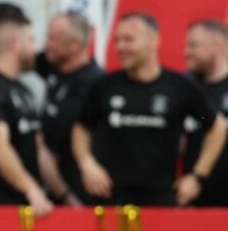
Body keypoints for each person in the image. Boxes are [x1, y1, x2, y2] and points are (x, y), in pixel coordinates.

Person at [72, 13, 226, 206]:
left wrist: (197, 177)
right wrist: (87, 164)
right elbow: (81, 128)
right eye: (117, 40)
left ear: (153, 41)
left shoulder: (178, 88)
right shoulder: (104, 87)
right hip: (108, 200)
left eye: (129, 40)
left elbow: (215, 126)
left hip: (159, 202)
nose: (121, 47)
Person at [0, 8, 70, 216]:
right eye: (31, 40)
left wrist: (63, 195)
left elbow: (39, 151)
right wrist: (32, 189)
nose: (35, 48)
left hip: (29, 208)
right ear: (14, 44)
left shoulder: (25, 91)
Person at [35, 11, 103, 205]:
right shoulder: (52, 66)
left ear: (75, 43)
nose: (46, 44)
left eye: (53, 39)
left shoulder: (94, 84)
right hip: (50, 186)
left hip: (78, 187)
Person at [183, 19, 228, 206]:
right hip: (193, 194)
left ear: (217, 45)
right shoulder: (185, 88)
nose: (187, 52)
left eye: (193, 45)